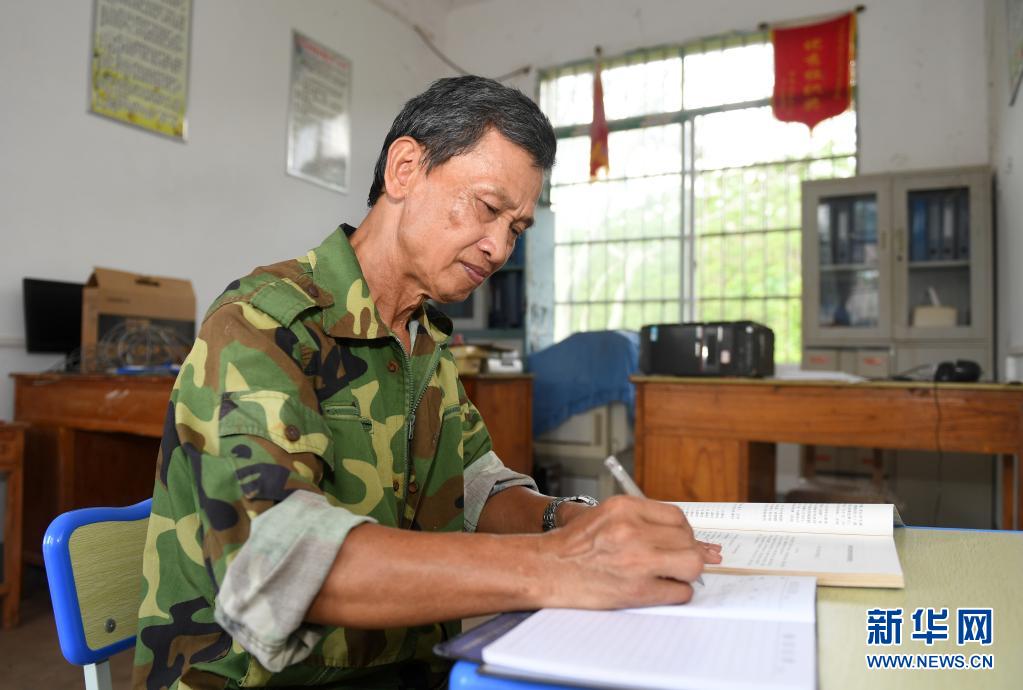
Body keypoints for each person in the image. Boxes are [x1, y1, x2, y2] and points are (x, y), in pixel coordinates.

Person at [132, 75, 720, 690]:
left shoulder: (425, 342)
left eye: (516, 228)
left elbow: (476, 487)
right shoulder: (263, 323)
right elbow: (281, 561)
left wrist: (569, 521)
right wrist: (561, 564)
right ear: (405, 169)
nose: (499, 248)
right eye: (488, 208)